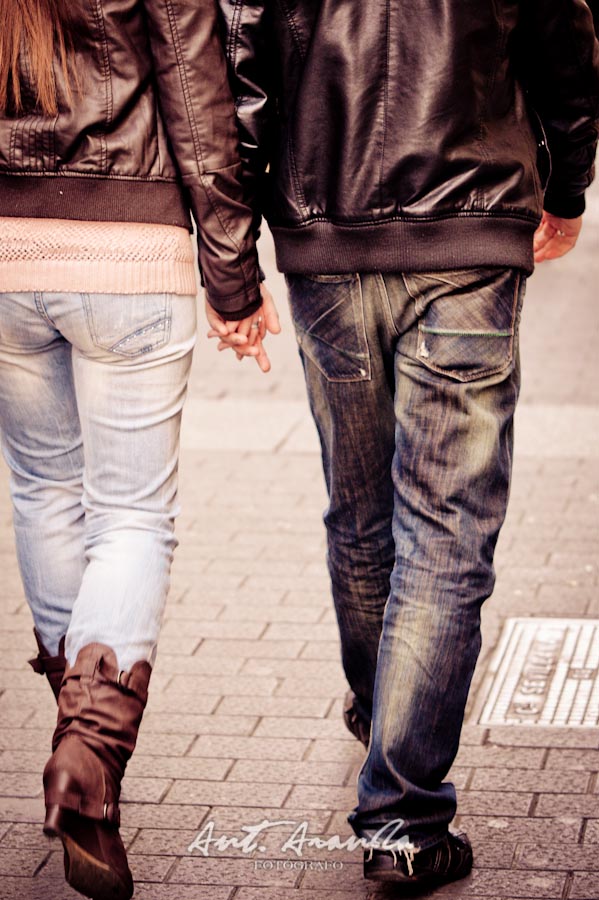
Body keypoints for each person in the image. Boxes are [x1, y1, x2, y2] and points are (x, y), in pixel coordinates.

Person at [213, 0, 599, 889]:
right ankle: (402, 811)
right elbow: (565, 50)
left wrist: (230, 256)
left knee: (360, 515)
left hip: (324, 232)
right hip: (468, 234)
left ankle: (388, 718)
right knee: (445, 533)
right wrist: (566, 186)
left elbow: (238, 66)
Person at [0, 2, 279, 899]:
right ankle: (86, 753)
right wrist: (233, 280)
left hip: (5, 253)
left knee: (44, 489)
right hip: (127, 248)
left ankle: (83, 752)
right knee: (129, 515)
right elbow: (198, 98)